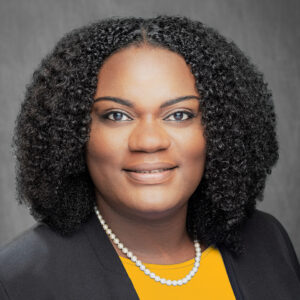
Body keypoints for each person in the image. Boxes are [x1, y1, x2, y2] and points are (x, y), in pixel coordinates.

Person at [0, 15, 299, 300]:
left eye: (179, 115)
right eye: (116, 115)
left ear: (222, 129)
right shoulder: (20, 279)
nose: (149, 141)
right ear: (72, 132)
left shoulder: (266, 241)